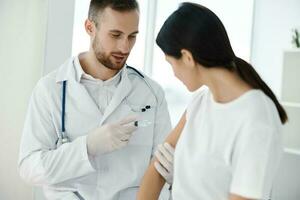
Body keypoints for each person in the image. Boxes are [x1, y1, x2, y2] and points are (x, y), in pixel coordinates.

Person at [18, 0, 172, 199]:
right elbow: (30, 167)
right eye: (115, 35)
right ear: (90, 28)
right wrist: (87, 146)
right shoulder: (50, 90)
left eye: (132, 36)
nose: (125, 47)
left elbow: (162, 171)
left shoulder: (151, 93)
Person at [137, 2, 288, 200]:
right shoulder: (200, 102)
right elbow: (156, 169)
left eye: (171, 63)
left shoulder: (257, 119)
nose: (173, 73)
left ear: (187, 57)